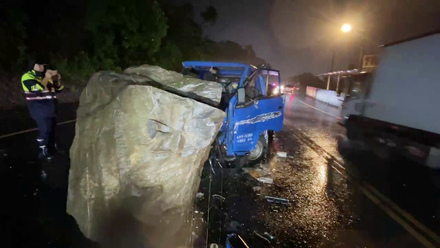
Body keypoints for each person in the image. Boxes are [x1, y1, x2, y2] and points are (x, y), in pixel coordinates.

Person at [21, 59, 64, 160]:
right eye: (39, 65)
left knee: (52, 130)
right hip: (38, 109)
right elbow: (36, 90)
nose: (42, 67)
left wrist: (57, 79)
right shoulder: (27, 76)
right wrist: (46, 77)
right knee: (44, 130)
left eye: (43, 65)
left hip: (51, 108)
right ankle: (43, 151)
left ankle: (52, 149)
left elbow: (58, 89)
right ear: (32, 65)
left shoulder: (45, 76)